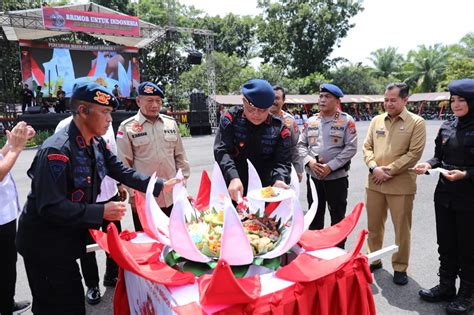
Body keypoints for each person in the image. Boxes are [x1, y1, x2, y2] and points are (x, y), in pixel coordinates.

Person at [16, 82, 180, 314]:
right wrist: (100, 212)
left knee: (71, 302)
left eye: (110, 113)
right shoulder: (57, 151)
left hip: (65, 239)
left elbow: (121, 171)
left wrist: (160, 185)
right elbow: (50, 207)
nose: (109, 119)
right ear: (83, 111)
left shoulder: (95, 142)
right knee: (55, 306)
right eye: (104, 112)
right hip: (45, 245)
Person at [415, 79, 474, 314]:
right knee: (446, 243)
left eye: (462, 100)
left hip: (469, 198)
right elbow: (437, 157)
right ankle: (446, 286)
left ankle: (467, 295)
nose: (456, 104)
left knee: (468, 247)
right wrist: (427, 165)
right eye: (453, 100)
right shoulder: (447, 126)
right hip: (444, 195)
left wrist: (467, 174)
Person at [55, 116, 126, 305]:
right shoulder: (64, 126)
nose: (107, 116)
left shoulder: (106, 123)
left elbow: (113, 156)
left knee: (113, 238)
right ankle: (92, 285)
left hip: (109, 193)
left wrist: (119, 184)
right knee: (88, 245)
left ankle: (112, 275)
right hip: (86, 200)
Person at [363, 82, 426, 285]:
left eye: (393, 100)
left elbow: (414, 154)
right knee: (374, 226)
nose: (388, 104)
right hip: (374, 183)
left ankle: (400, 266)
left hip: (401, 185)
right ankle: (374, 259)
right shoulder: (376, 120)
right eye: (386, 99)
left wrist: (387, 171)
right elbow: (367, 147)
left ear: (405, 100)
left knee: (401, 229)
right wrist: (374, 168)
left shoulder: (416, 122)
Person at [116, 82, 190, 230]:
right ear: (138, 101)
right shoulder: (127, 127)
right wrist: (133, 196)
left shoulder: (170, 123)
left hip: (172, 198)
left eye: (158, 101)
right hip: (145, 200)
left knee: (177, 243)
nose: (155, 105)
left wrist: (183, 186)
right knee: (149, 245)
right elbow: (124, 166)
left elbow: (180, 157)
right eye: (150, 100)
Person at [297, 83, 357, 248]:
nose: (322, 100)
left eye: (327, 97)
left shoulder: (346, 120)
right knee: (315, 215)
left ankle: (338, 251)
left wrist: (330, 166)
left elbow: (351, 147)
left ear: (337, 101)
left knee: (337, 217)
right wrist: (310, 161)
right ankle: (316, 251)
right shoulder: (311, 121)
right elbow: (301, 145)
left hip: (336, 178)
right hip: (314, 178)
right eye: (321, 96)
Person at [214, 79, 292, 202]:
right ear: (243, 101)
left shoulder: (280, 129)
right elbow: (222, 150)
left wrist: (280, 179)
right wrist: (232, 177)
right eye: (250, 109)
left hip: (266, 192)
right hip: (234, 186)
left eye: (262, 110)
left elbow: (282, 162)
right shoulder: (230, 119)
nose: (256, 114)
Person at [0, 122, 35, 315]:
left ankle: (6, 302)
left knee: (7, 263)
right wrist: (17, 147)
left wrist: (12, 142)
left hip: (4, 215)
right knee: (5, 266)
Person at [270, 85, 303, 182]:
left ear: (283, 100)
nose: (273, 101)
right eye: (271, 97)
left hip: (284, 169)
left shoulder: (290, 121)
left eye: (277, 98)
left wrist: (298, 168)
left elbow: (295, 146)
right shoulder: (259, 117)